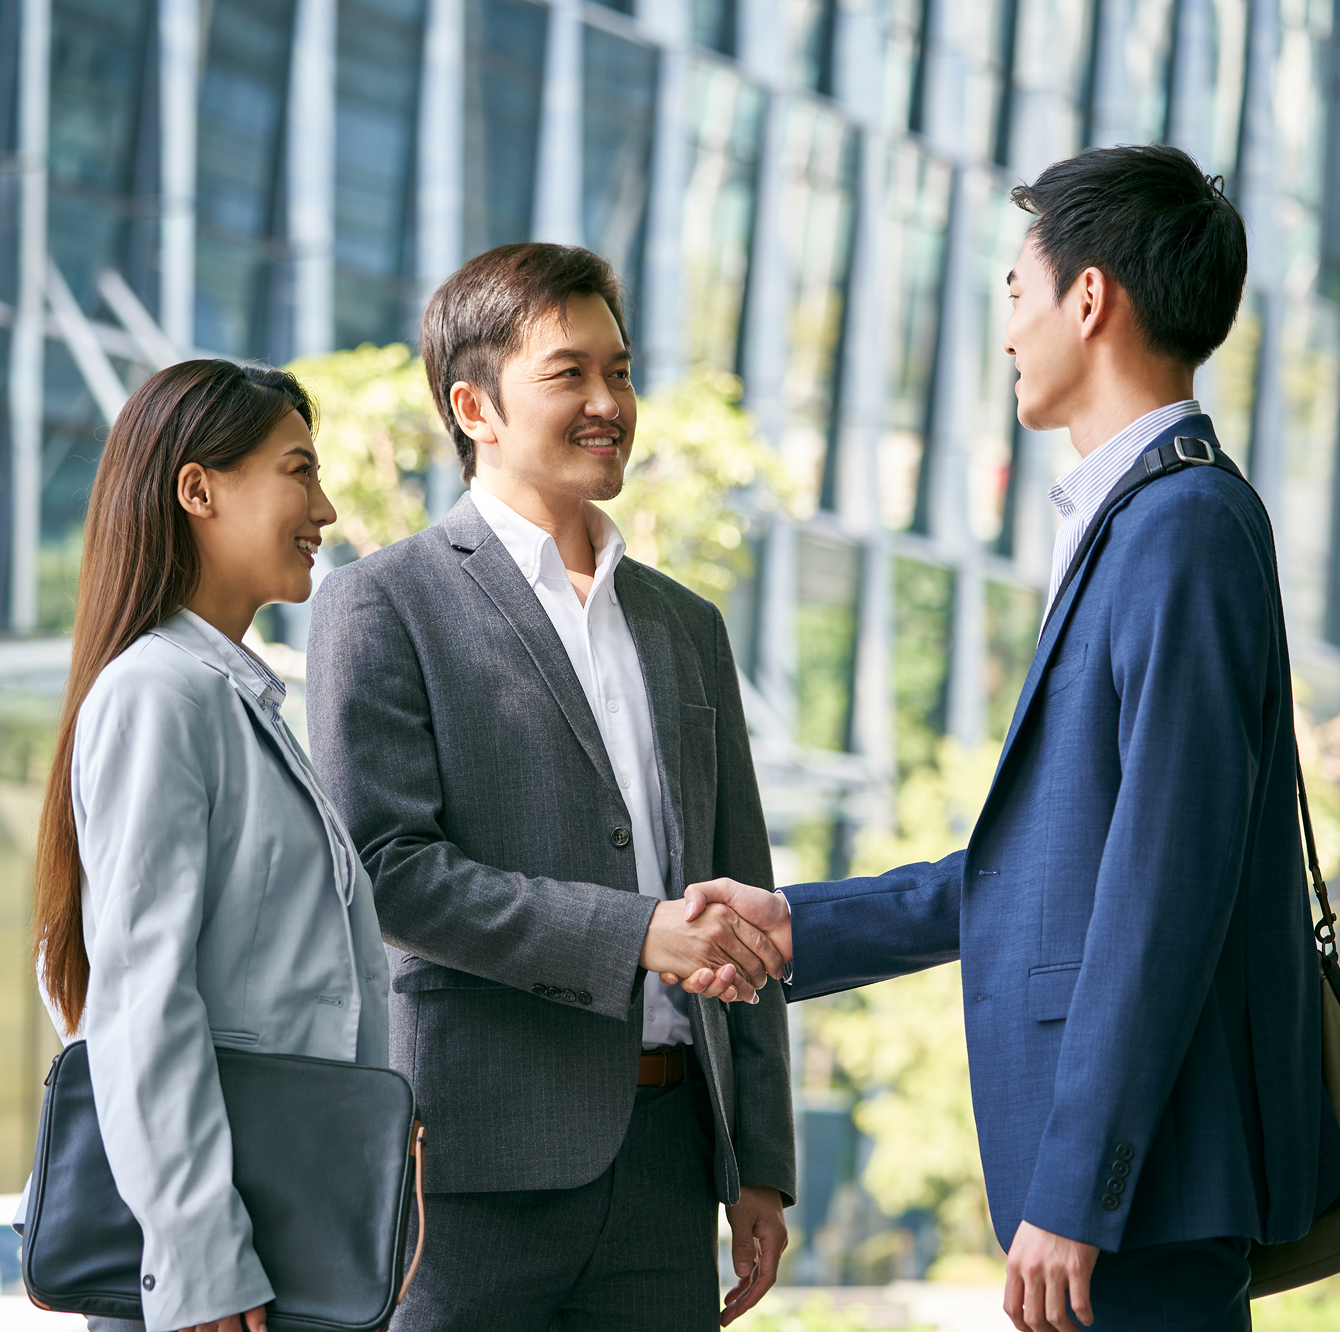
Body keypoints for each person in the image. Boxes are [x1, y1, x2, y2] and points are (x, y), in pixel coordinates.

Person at [676, 145, 1340, 1331]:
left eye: (1014, 294)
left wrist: (1079, 1189)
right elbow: (1051, 876)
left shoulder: (1178, 524)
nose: (1006, 334)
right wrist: (801, 926)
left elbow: (1161, 889)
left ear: (1089, 300)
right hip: (1140, 1193)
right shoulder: (1139, 521)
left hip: (1150, 1193)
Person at [304, 242, 794, 1332]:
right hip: (469, 1172)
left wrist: (757, 1160)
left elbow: (738, 890)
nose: (608, 402)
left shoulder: (685, 626)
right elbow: (386, 873)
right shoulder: (381, 605)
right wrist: (633, 936)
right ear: (472, 405)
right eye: (567, 373)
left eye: (618, 371)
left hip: (669, 1170)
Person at [29, 360, 390, 1332]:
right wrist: (198, 1253)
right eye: (298, 471)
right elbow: (142, 996)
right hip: (216, 1276)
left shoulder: (237, 700)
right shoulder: (160, 694)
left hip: (278, 1239)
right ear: (198, 489)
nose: (323, 506)